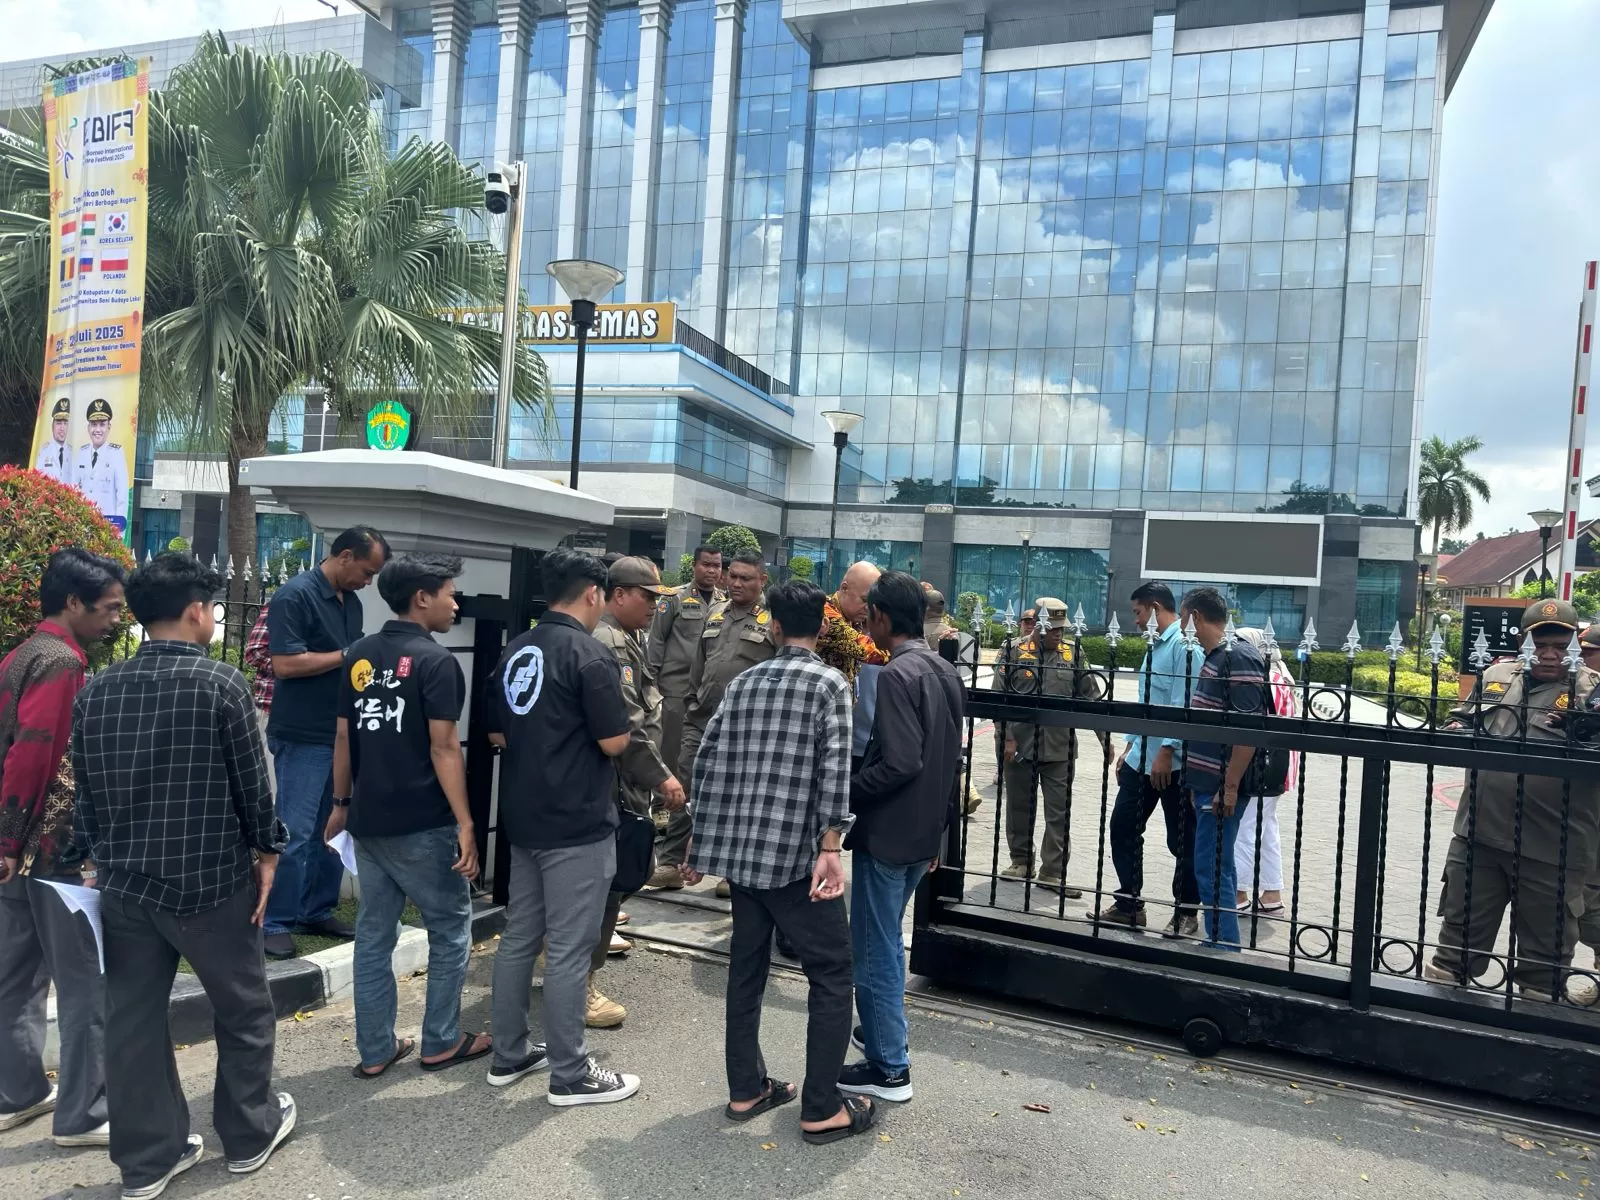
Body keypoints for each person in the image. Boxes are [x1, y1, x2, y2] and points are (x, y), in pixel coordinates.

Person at [73, 553, 294, 1197]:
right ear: (197, 610)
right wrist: (268, 851)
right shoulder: (220, 685)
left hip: (124, 885)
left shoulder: (96, 690)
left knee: (133, 1021)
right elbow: (253, 787)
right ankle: (249, 1135)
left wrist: (95, 857)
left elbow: (86, 792)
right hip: (210, 882)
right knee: (244, 1008)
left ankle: (147, 1161)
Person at [685, 579, 876, 1144]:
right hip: (795, 857)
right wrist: (831, 846)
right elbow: (834, 772)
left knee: (746, 972)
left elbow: (708, 761)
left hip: (743, 856)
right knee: (832, 973)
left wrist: (698, 839)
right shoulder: (829, 685)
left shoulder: (744, 683)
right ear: (822, 625)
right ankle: (820, 1106)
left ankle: (746, 1088)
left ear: (771, 626)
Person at [326, 553, 490, 1078]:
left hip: (369, 821)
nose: (455, 601)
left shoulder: (359, 655)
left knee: (375, 933)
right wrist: (466, 823)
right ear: (422, 598)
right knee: (450, 928)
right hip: (424, 821)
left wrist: (341, 804)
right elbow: (445, 748)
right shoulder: (437, 662)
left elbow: (345, 736)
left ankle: (375, 1051)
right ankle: (440, 1040)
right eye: (449, 591)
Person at [485, 549, 640, 1104]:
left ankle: (508, 1055)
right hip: (576, 822)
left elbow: (496, 732)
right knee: (571, 950)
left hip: (524, 817)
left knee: (520, 937)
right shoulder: (588, 655)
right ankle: (571, 1073)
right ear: (594, 593)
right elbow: (615, 742)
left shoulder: (515, 650)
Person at [0, 549, 125, 1146]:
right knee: (85, 982)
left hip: (19, 850)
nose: (115, 621)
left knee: (17, 976)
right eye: (108, 609)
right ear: (73, 603)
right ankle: (85, 1114)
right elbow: (35, 750)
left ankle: (16, 1093)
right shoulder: (61, 661)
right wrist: (11, 836)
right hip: (53, 848)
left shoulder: (23, 652)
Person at [1426, 599, 1600, 1000]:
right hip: (1478, 837)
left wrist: (1587, 730)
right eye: (1540, 644)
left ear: (1575, 643)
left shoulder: (1591, 692)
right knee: (1455, 949)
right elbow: (1464, 719)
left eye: (1560, 644)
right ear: (1524, 642)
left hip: (1552, 849)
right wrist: (1452, 726)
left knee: (1543, 966)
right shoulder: (1497, 675)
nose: (1550, 654)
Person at [838, 572, 963, 1104]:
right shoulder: (943, 669)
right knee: (883, 941)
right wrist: (940, 829)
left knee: (875, 950)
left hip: (889, 833)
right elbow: (948, 762)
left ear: (883, 618)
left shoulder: (895, 675)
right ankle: (883, 1031)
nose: (865, 620)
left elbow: (902, 762)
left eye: (870, 612)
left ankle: (890, 1067)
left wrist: (845, 791)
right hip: (921, 835)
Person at [263, 526, 390, 960]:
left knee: (334, 828)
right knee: (295, 831)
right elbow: (284, 663)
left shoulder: (350, 603)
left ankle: (315, 909)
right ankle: (275, 921)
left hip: (341, 731)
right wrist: (347, 656)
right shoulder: (294, 596)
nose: (368, 582)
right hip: (301, 732)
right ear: (346, 556)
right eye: (367, 572)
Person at [589, 556, 682, 1027]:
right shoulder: (608, 641)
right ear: (618, 594)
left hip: (625, 782)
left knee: (618, 877)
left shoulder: (628, 636)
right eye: (648, 597)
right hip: (618, 783)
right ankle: (582, 983)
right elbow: (628, 728)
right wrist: (660, 777)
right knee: (611, 880)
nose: (654, 607)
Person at [1089, 581, 1200, 937]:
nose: (1135, 621)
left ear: (1154, 607)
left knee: (1181, 840)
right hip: (1142, 759)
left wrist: (1168, 749)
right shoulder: (1154, 647)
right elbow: (1147, 703)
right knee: (1122, 827)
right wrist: (1131, 746)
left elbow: (1187, 703)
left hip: (1173, 763)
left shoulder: (1185, 648)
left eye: (1138, 612)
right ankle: (1129, 905)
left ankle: (1186, 911)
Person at [667, 549, 775, 894]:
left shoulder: (773, 621)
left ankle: (731, 871)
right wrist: (691, 701)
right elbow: (699, 664)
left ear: (763, 581)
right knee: (684, 785)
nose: (737, 583)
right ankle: (671, 862)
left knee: (738, 795)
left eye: (746, 578)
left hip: (744, 728)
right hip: (701, 718)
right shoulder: (715, 612)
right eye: (734, 576)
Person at [992, 597, 1105, 895]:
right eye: (1053, 628)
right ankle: (1021, 861)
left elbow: (1091, 697)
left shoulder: (1074, 654)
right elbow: (998, 700)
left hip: (1060, 748)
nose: (1058, 633)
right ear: (1038, 625)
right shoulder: (1014, 652)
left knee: (1059, 812)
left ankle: (1052, 872)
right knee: (1018, 807)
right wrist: (1007, 737)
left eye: (1061, 628)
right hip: (1020, 745)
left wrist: (1105, 740)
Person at [1179, 586, 1269, 950]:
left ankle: (1223, 944)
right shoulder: (1215, 656)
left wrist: (1229, 786)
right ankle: (1222, 939)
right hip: (1207, 781)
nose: (1184, 627)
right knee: (1217, 863)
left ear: (1196, 617)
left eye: (1185, 619)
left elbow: (1248, 728)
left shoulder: (1237, 656)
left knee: (1211, 865)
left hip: (1221, 784)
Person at [644, 545, 722, 885]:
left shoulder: (724, 604)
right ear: (695, 566)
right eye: (707, 565)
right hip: (675, 695)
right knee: (677, 769)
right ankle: (671, 857)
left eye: (717, 566)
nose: (712, 571)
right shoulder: (673, 599)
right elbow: (656, 643)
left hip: (710, 700)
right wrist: (652, 689)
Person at [1234, 627, 1298, 917]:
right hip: (1280, 766)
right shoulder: (1282, 674)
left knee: (1245, 829)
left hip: (1259, 765)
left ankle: (1238, 892)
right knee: (1266, 827)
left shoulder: (1264, 678)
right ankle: (1272, 893)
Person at [242, 602, 276, 786]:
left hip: (309, 714)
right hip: (271, 706)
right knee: (269, 784)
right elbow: (254, 652)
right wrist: (295, 666)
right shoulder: (286, 601)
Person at [33, 397, 72, 484]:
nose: (62, 428)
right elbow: (36, 480)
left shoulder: (73, 452)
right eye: (58, 423)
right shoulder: (44, 451)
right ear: (52, 426)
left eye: (65, 423)